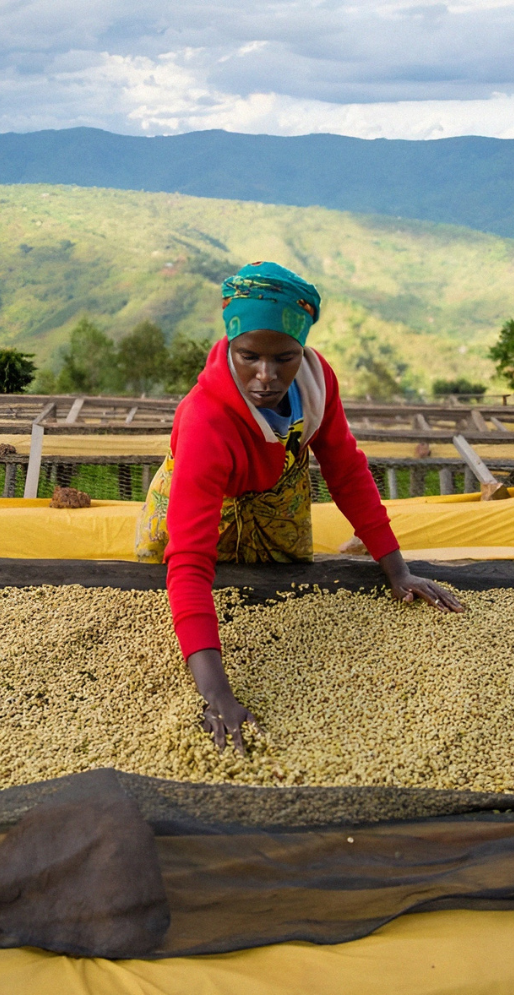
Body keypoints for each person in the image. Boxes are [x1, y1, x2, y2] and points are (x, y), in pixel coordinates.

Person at [136, 261, 462, 751]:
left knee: (277, 584)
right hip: (200, 504)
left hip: (276, 497)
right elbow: (189, 560)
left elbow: (346, 470)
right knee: (167, 580)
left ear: (302, 349)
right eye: (248, 356)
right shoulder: (206, 421)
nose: (266, 377)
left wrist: (397, 570)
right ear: (230, 345)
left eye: (284, 358)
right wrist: (216, 691)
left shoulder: (315, 382)